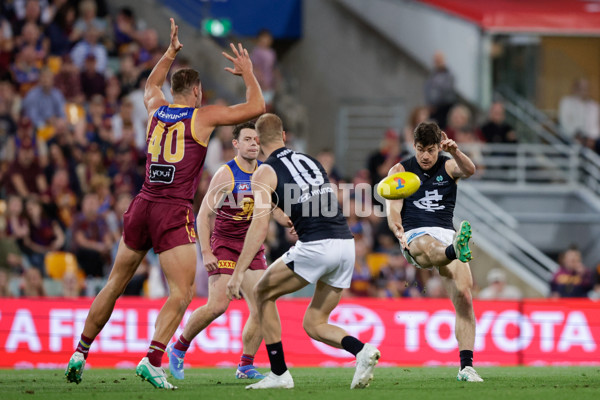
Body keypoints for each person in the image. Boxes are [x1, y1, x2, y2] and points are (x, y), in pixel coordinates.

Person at [65, 18, 265, 389]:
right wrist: (249, 73)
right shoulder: (201, 117)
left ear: (175, 90)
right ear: (198, 92)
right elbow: (256, 106)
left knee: (114, 283)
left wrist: (169, 52)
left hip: (141, 205)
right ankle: (153, 358)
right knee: (183, 292)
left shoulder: (156, 109)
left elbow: (150, 84)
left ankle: (80, 351)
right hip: (172, 211)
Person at [226, 113, 381, 390]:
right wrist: (300, 220)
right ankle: (361, 351)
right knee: (314, 323)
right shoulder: (310, 160)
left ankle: (279, 373)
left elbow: (259, 224)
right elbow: (321, 199)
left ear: (259, 141)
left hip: (317, 246)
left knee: (262, 293)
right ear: (284, 136)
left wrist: (238, 272)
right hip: (345, 245)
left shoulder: (264, 171)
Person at [167, 122, 280, 381]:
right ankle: (179, 347)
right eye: (248, 139)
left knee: (264, 305)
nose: (254, 143)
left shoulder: (266, 172)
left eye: (257, 139)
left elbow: (275, 207)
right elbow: (204, 215)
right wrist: (205, 252)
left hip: (251, 246)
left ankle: (245, 365)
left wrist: (291, 222)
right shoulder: (226, 174)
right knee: (218, 305)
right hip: (225, 244)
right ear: (236, 144)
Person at [385, 121, 483, 382]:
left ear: (440, 146)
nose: (425, 156)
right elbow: (393, 208)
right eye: (420, 149)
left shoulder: (449, 164)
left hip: (447, 233)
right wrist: (397, 229)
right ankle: (454, 250)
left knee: (464, 295)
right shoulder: (401, 170)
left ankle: (466, 367)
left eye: (430, 150)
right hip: (415, 235)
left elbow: (470, 170)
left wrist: (456, 151)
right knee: (428, 245)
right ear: (413, 146)